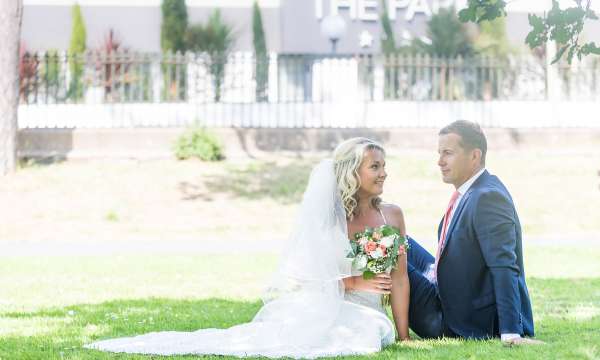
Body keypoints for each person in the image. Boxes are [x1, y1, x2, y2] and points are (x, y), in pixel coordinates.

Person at [84, 137, 410, 357]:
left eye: (383, 165)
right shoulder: (327, 220)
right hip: (329, 304)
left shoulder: (391, 214)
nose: (383, 173)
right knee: (321, 338)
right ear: (353, 172)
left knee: (367, 333)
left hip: (367, 310)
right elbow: (307, 275)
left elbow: (399, 279)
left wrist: (404, 335)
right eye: (375, 166)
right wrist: (355, 281)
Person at [406, 120, 541, 345]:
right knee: (398, 240)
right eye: (439, 153)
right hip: (449, 290)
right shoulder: (472, 191)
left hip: (459, 320)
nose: (439, 162)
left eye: (447, 153)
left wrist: (510, 333)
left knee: (386, 248)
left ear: (474, 156)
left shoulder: (487, 197)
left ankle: (382, 330)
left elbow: (504, 265)